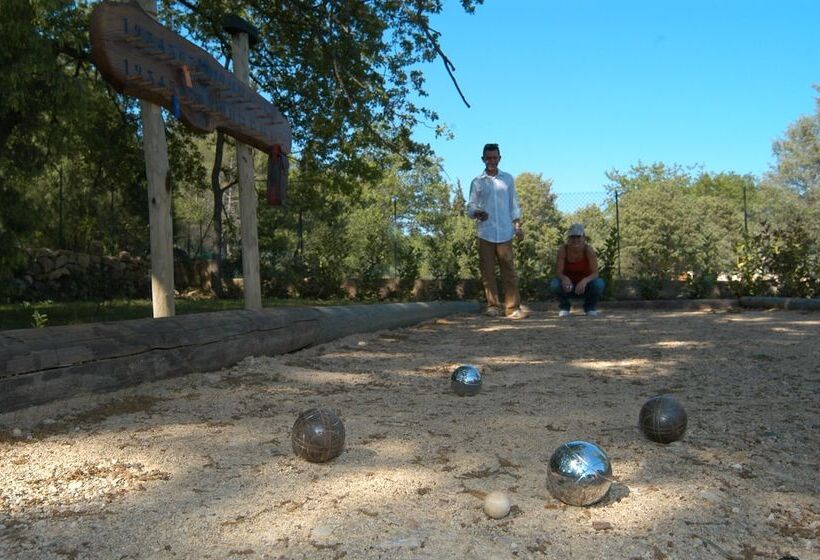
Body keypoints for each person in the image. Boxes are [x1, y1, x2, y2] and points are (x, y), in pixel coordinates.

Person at [467, 143, 528, 319]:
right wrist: (477, 212)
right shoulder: (477, 182)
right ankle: (492, 306)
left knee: (509, 270)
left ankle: (512, 308)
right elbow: (471, 206)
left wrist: (517, 226)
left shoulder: (508, 179)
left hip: (505, 232)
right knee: (487, 272)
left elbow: (513, 204)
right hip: (485, 232)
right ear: (483, 159)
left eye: (494, 158)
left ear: (499, 158)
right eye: (488, 158)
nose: (491, 161)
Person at [550, 223, 605, 317]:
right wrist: (564, 278)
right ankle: (565, 307)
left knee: (599, 284)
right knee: (554, 284)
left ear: (584, 238)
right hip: (568, 286)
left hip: (585, 286)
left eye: (578, 237)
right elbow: (558, 272)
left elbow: (595, 273)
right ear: (568, 238)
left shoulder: (588, 250)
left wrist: (585, 280)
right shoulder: (563, 250)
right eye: (572, 237)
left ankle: (590, 308)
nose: (575, 240)